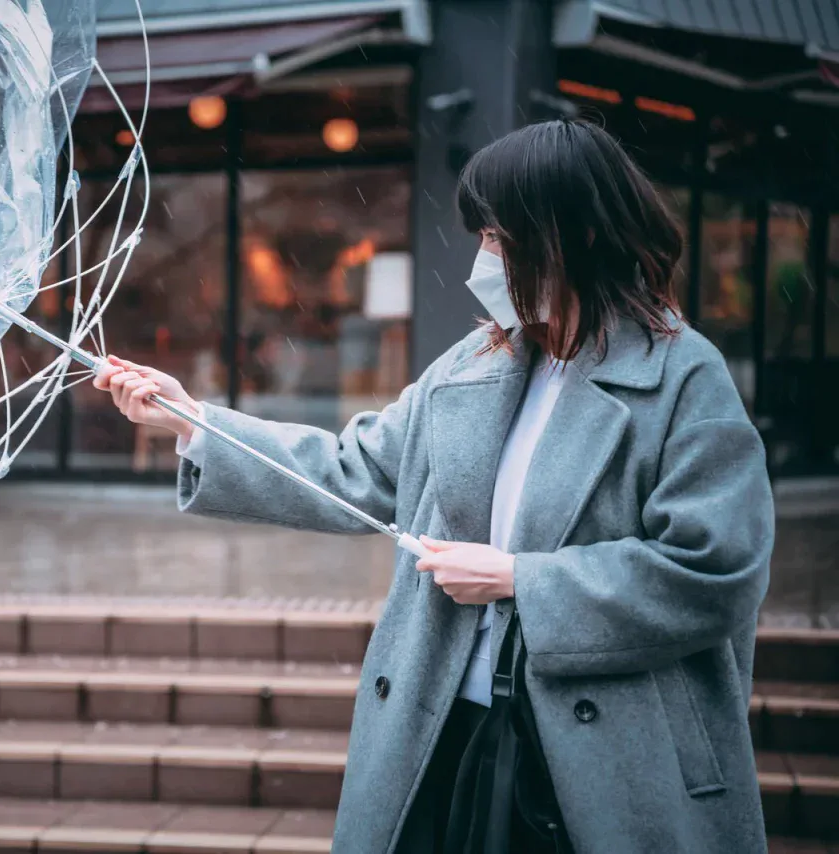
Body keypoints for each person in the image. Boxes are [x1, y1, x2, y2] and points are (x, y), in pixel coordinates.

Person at [93, 120, 773, 854]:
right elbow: (355, 469)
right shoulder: (472, 365)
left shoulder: (682, 377)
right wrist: (194, 423)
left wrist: (521, 580)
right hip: (452, 728)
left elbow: (717, 568)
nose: (482, 259)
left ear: (569, 235)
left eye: (497, 237)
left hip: (611, 763)